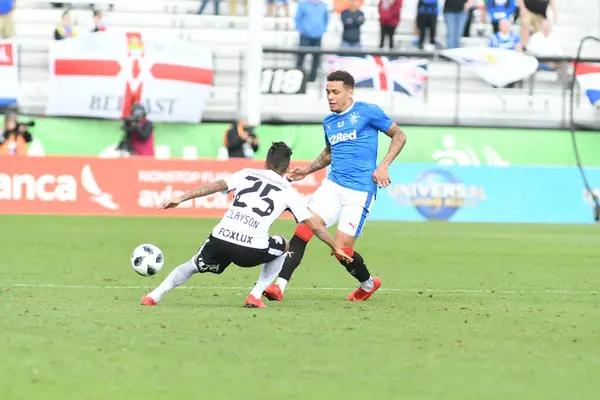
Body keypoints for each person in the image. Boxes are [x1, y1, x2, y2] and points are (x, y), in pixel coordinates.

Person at [141, 142, 352, 309]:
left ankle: (153, 296)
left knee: (194, 264)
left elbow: (214, 186)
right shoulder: (288, 191)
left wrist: (181, 198)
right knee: (284, 245)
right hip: (251, 250)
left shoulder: (245, 173)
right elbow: (315, 226)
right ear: (287, 167)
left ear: (265, 163)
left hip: (221, 238)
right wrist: (335, 247)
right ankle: (255, 295)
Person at [263, 70, 407, 303]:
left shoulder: (367, 112)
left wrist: (383, 166)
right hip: (332, 186)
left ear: (350, 92)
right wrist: (307, 170)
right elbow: (330, 153)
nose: (330, 97)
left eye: (335, 92)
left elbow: (399, 136)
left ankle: (368, 284)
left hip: (360, 191)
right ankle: (278, 286)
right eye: (327, 92)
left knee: (342, 250)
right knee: (304, 227)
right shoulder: (329, 121)